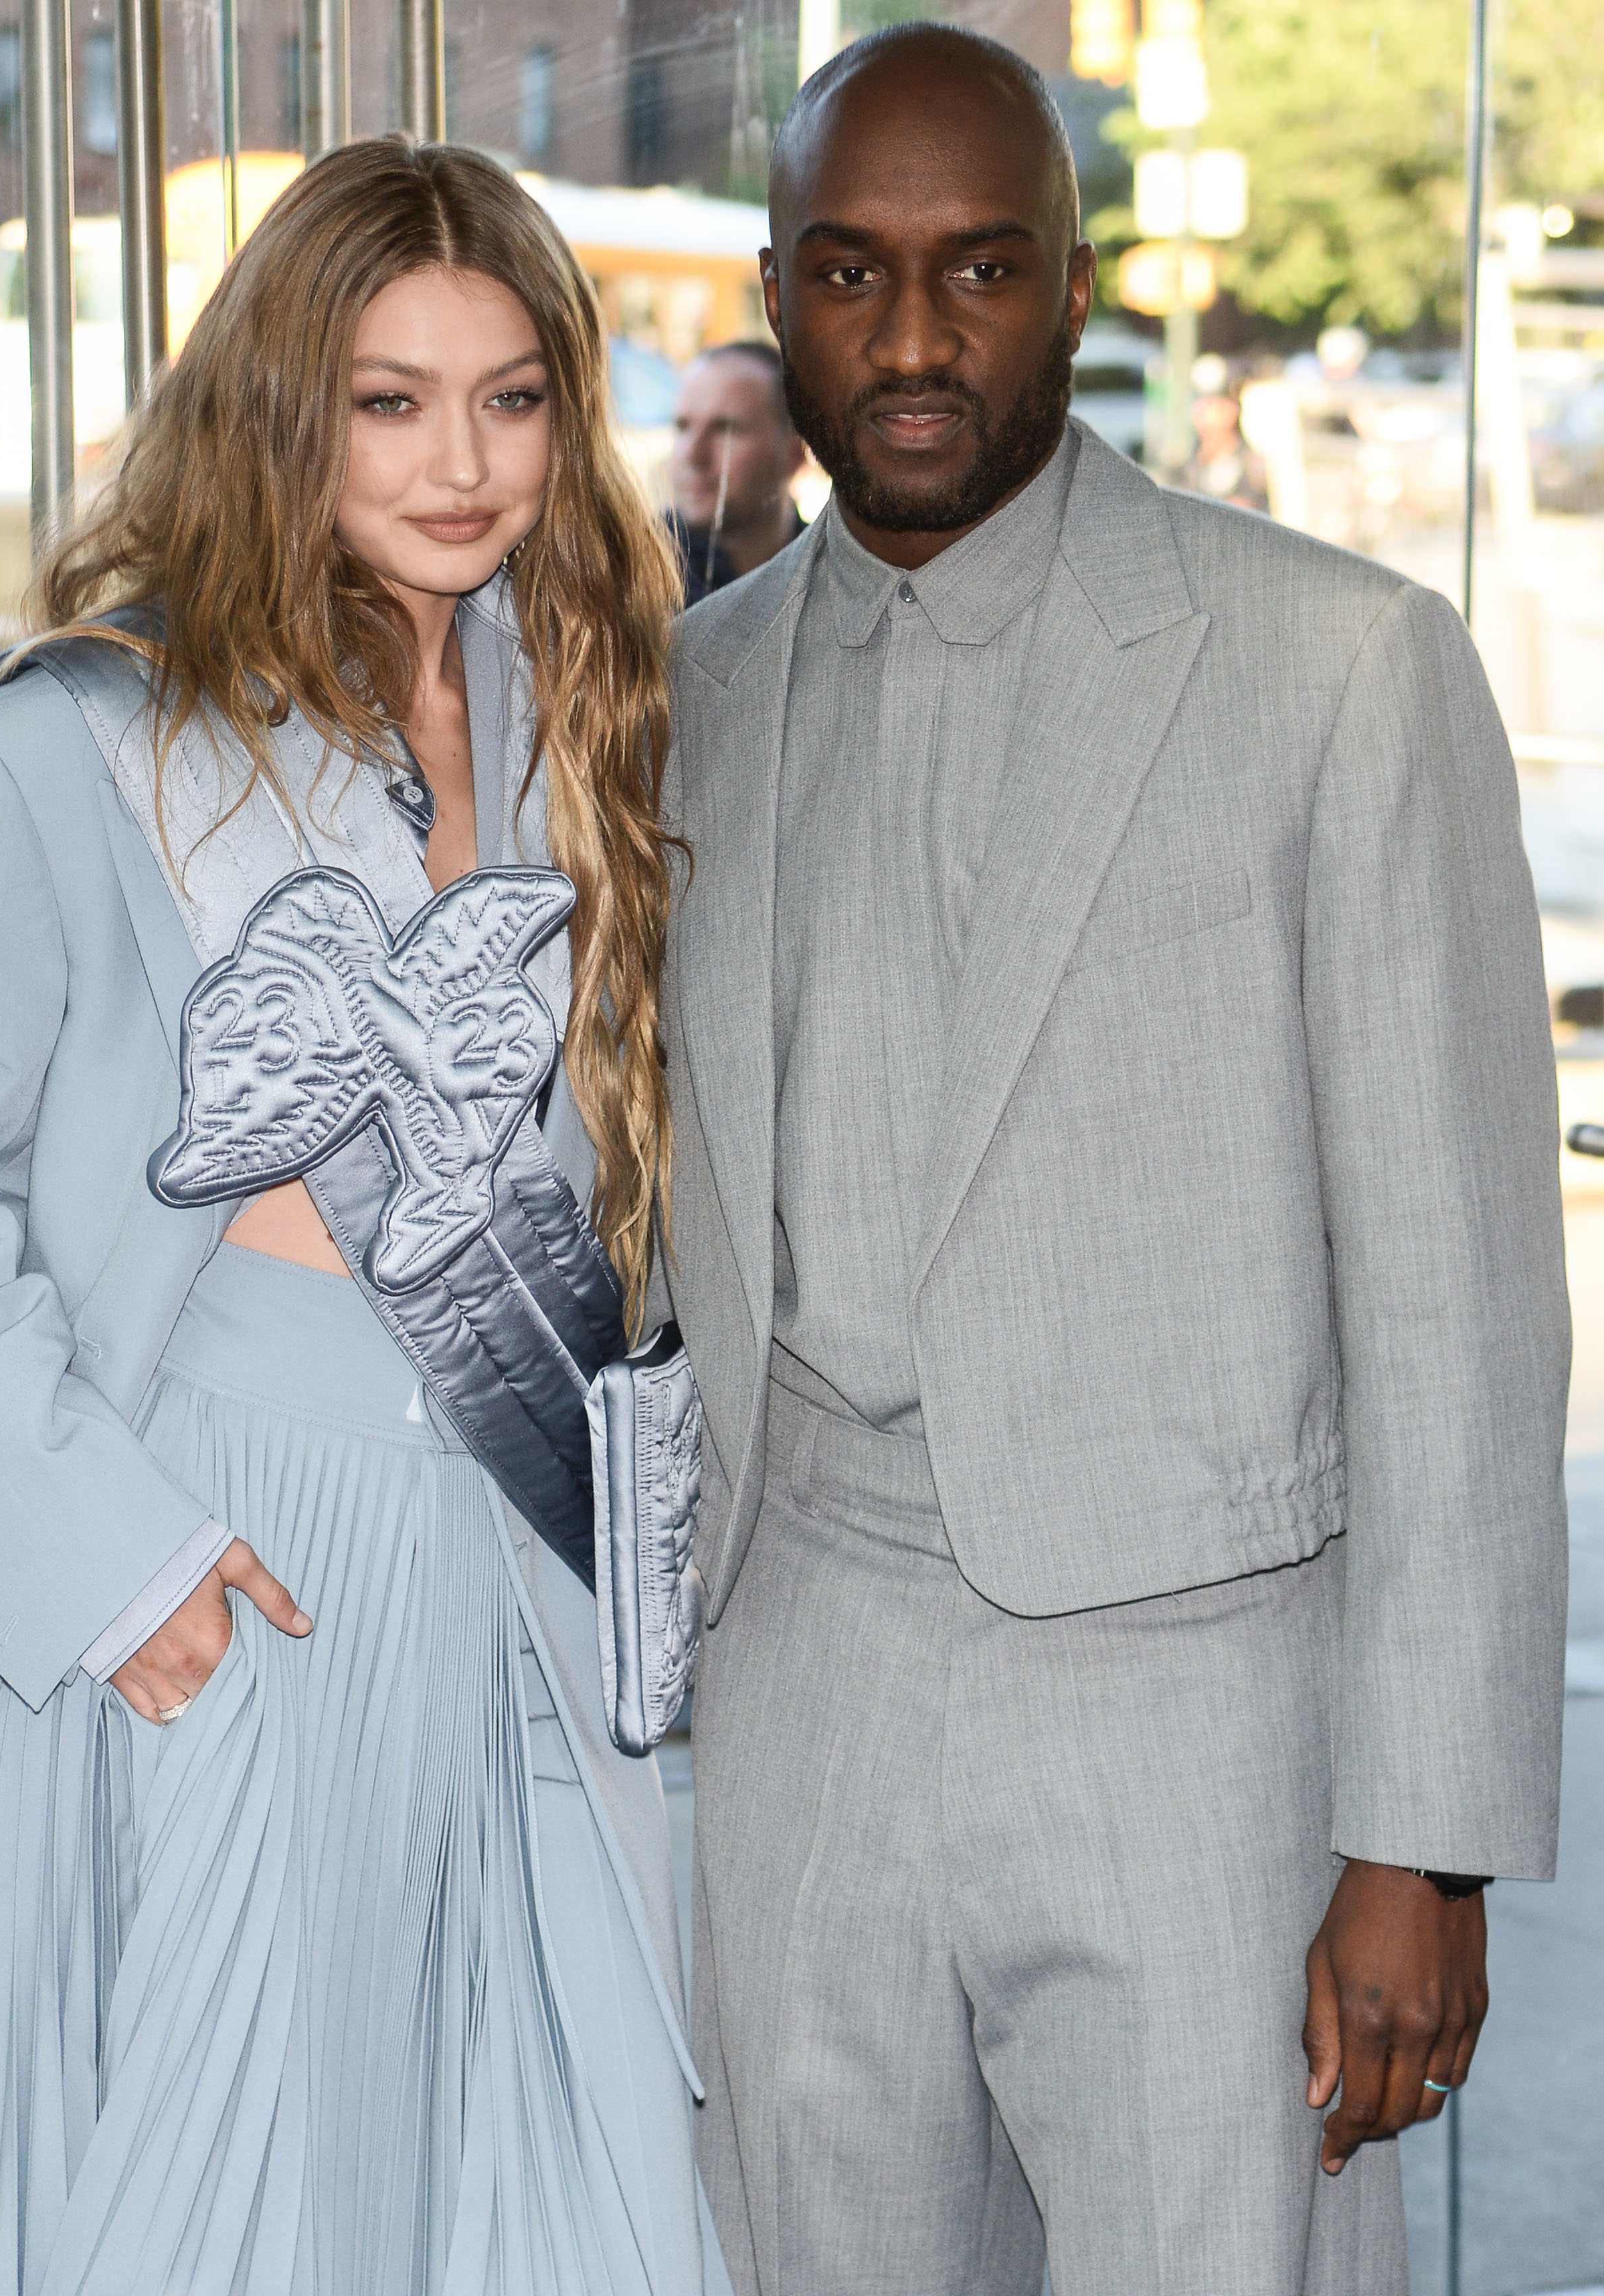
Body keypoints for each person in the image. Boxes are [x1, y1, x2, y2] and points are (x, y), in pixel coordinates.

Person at [660, 25, 1567, 2296]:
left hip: (1198, 1718)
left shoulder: (1338, 669)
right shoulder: (688, 698)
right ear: (776, 297)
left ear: (1075, 286)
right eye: (850, 273)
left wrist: (1424, 1837)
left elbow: (1460, 1298)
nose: (912, 337)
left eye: (979, 268)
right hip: (799, 1695)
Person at [0, 138, 727, 2296]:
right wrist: (128, 1577)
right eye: (392, 401)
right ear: (281, 405)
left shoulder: (587, 708)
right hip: (222, 1556)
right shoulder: (68, 749)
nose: (464, 462)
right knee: (233, 2211)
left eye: (512, 398)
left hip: (498, 1564)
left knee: (512, 2185)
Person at [665, 341, 807, 605]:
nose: (693, 456)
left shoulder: (836, 581)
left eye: (725, 429)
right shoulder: (626, 573)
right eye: (683, 428)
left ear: (795, 453)